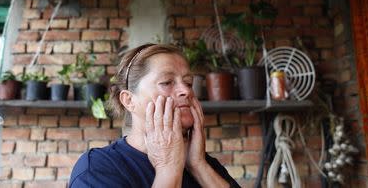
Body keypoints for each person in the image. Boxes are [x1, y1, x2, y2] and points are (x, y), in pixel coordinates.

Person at [69, 43, 240, 187]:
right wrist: (168, 168)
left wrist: (199, 166)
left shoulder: (207, 166)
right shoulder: (98, 168)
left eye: (188, 82)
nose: (186, 91)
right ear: (129, 100)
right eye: (166, 82)